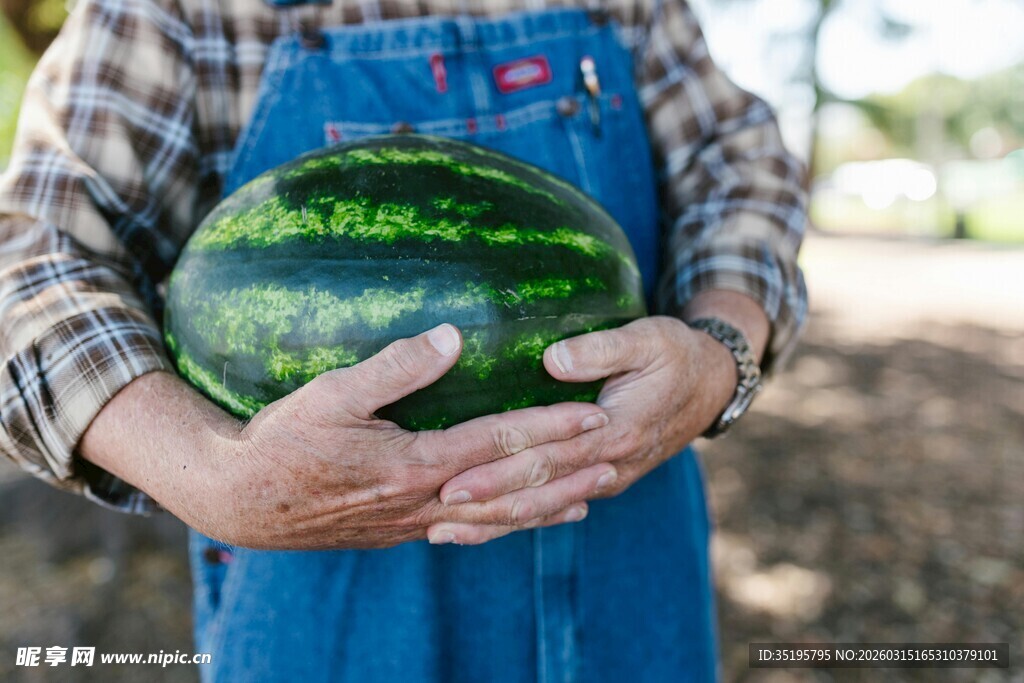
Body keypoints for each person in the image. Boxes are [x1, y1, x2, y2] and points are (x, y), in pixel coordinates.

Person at [0, 0, 807, 679]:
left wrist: (717, 352)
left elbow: (736, 161)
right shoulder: (177, 10)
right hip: (327, 621)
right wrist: (216, 473)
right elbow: (30, 264)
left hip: (630, 578)